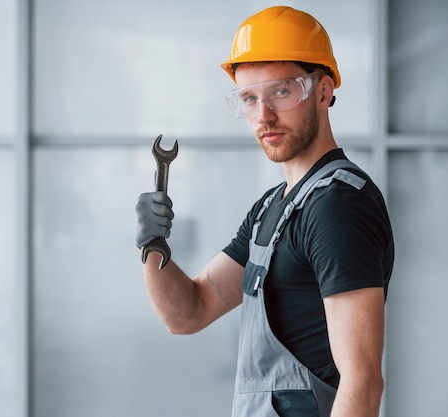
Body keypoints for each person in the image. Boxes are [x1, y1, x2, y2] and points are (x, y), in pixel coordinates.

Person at [135, 6, 394, 417]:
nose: (263, 116)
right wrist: (152, 245)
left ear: (324, 92)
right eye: (249, 98)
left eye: (281, 92)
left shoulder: (337, 206)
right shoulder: (273, 207)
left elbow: (361, 382)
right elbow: (190, 311)